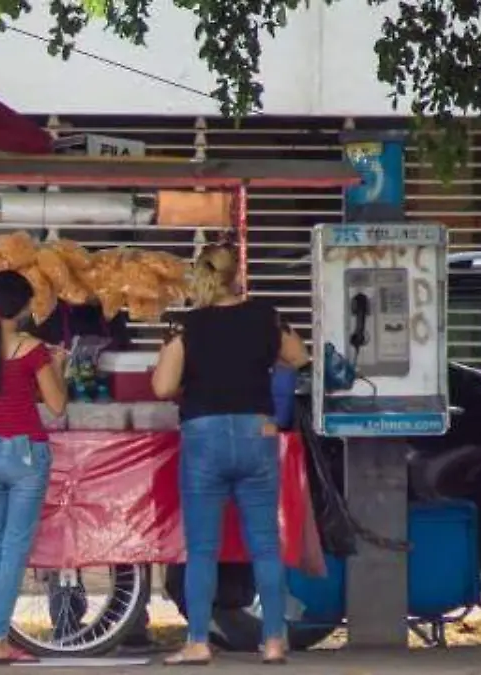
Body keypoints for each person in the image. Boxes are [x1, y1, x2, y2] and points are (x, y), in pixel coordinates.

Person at [151, 243, 310, 666]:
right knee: (265, 546)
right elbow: (299, 356)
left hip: (204, 437)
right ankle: (274, 641)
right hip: (256, 432)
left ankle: (199, 641)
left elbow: (163, 388)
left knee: (202, 548)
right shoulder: (265, 316)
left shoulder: (189, 326)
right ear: (238, 273)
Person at [27, 301, 155, 649]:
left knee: (121, 521)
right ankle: (66, 618)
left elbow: (126, 364)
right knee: (59, 528)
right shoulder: (44, 314)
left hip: (108, 429)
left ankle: (132, 623)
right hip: (60, 429)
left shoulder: (111, 314)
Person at [0, 270, 69, 665]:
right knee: (14, 550)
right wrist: (57, 367)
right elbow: (57, 407)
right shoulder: (33, 350)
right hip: (25, 455)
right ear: (22, 308)